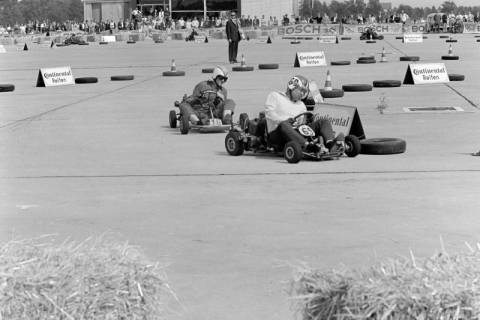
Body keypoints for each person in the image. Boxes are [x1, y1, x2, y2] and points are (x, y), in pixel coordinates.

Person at [249, 75, 344, 154]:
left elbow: (302, 124)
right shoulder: (275, 96)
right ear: (292, 87)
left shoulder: (301, 105)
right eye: (300, 90)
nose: (302, 94)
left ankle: (331, 145)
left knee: (323, 121)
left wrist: (307, 122)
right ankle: (309, 147)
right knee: (284, 124)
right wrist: (285, 119)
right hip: (277, 134)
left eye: (304, 92)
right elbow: (269, 114)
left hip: (296, 132)